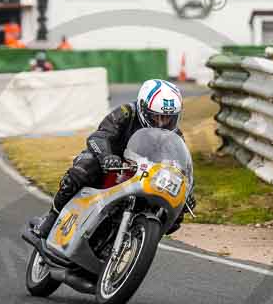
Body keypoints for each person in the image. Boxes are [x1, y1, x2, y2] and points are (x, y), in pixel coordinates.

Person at [32, 79, 194, 238]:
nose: (161, 123)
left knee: (175, 215)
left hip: (143, 176)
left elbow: (181, 168)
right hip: (110, 162)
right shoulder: (126, 112)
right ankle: (51, 217)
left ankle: (138, 236)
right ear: (143, 108)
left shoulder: (175, 136)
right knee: (82, 170)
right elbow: (98, 137)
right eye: (155, 116)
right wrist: (107, 157)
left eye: (167, 118)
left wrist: (186, 193)